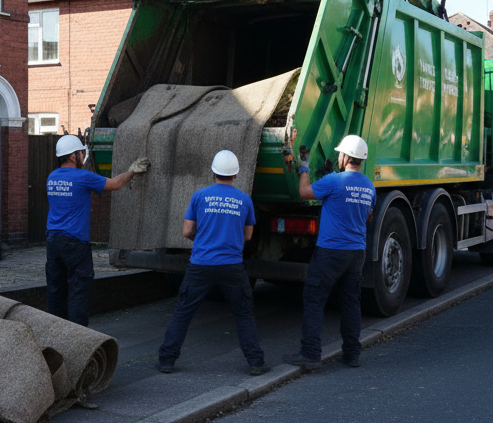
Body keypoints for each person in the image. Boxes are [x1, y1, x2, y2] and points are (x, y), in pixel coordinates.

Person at [156, 150, 267, 376]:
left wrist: (206, 238)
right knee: (243, 314)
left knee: (183, 312)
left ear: (214, 172)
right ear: (235, 174)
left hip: (200, 265)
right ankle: (256, 362)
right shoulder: (245, 200)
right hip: (232, 266)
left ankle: (167, 360)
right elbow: (247, 236)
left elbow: (187, 231)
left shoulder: (200, 195)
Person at [284, 134, 377, 370]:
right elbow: (368, 216)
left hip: (331, 251)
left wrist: (304, 166)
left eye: (339, 154)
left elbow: (305, 192)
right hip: (357, 253)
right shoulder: (369, 186)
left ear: (345, 157)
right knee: (350, 303)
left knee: (315, 298)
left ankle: (311, 354)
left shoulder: (335, 181)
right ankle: (352, 354)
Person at [46, 134, 149, 326]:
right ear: (72, 156)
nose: (83, 156)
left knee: (56, 289)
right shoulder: (82, 176)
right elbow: (115, 184)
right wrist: (131, 171)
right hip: (75, 243)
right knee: (79, 289)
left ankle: (55, 331)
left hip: (53, 241)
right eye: (81, 153)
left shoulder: (52, 177)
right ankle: (78, 336)